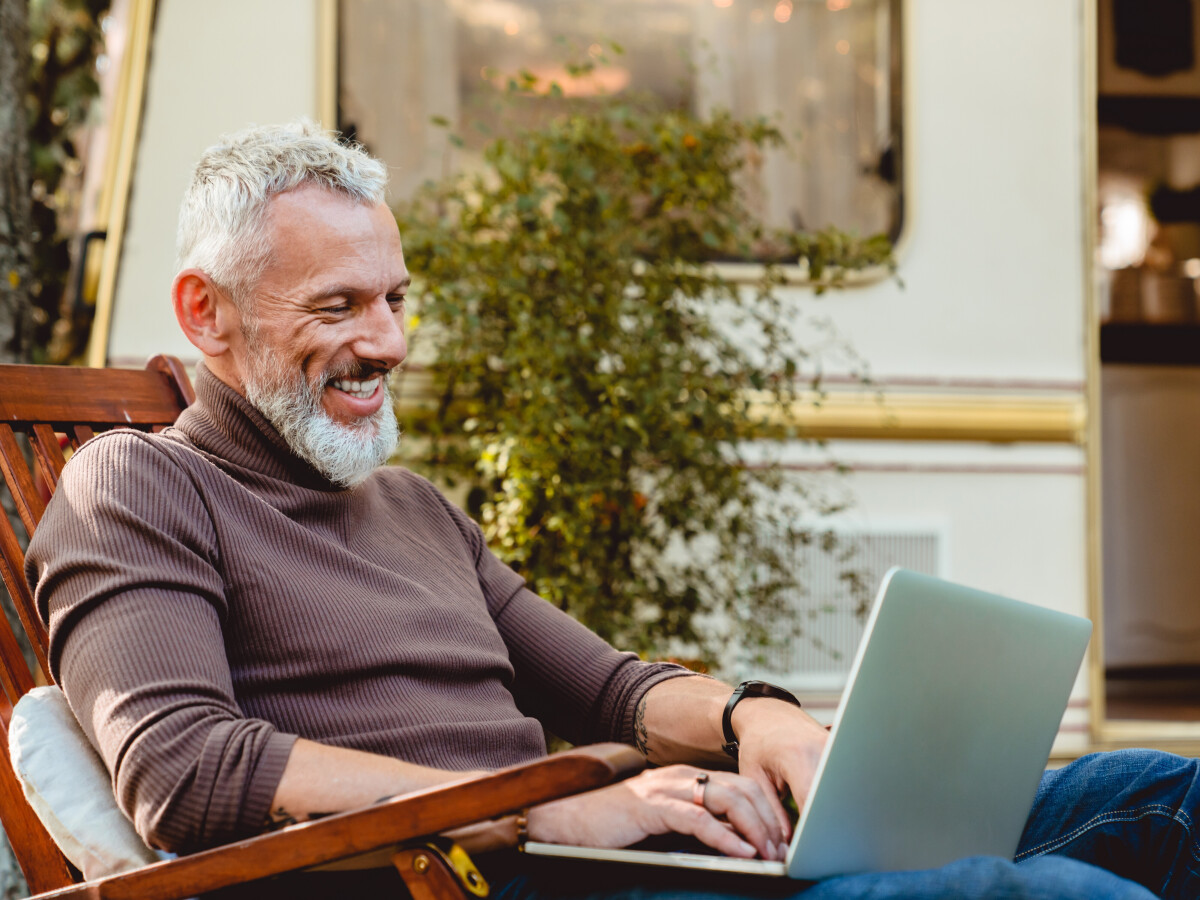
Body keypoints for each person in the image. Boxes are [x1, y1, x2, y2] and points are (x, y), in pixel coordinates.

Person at [24, 121, 1196, 900]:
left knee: (1160, 794)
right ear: (208, 312)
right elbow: (184, 769)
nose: (388, 343)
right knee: (1043, 893)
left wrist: (754, 723)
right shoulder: (137, 488)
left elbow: (615, 690)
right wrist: (545, 815)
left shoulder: (407, 504)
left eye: (395, 299)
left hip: (608, 850)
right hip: (492, 880)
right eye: (339, 306)